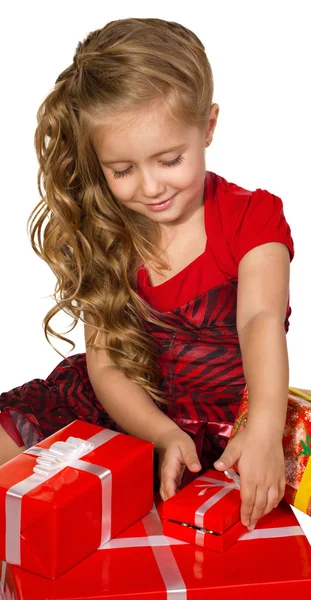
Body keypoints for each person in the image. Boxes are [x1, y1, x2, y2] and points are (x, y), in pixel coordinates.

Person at [0, 17, 294, 532]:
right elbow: (107, 365)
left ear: (208, 127)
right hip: (129, 407)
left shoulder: (252, 218)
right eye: (122, 170)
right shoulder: (108, 229)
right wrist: (159, 434)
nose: (151, 186)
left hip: (232, 422)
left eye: (170, 159)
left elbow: (260, 320)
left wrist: (266, 427)